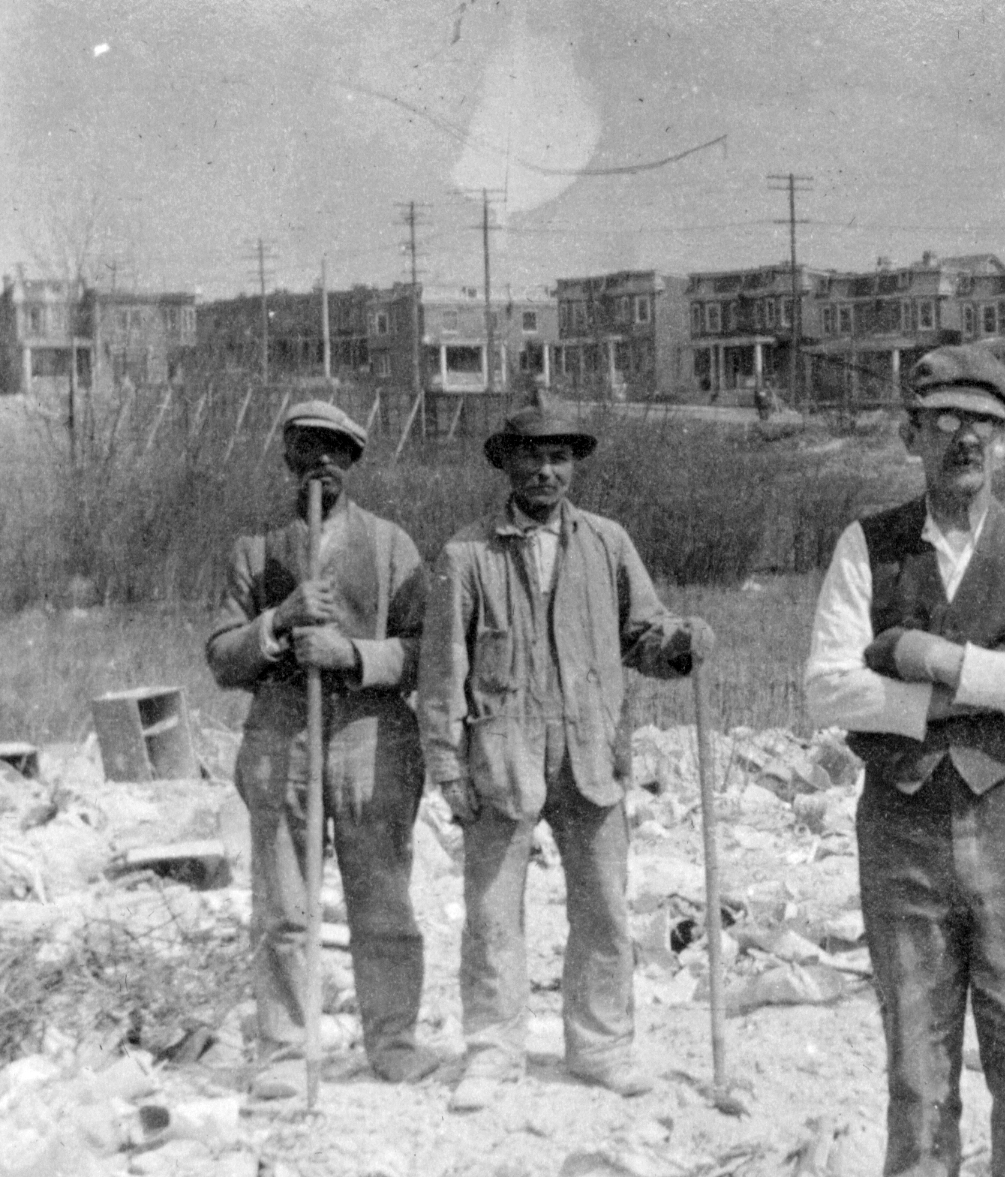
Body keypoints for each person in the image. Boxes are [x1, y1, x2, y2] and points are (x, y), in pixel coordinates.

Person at [802, 348, 1005, 1177]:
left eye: (983, 422)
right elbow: (826, 690)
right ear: (911, 434)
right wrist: (955, 703)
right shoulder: (867, 545)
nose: (964, 436)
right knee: (917, 1039)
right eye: (943, 420)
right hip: (903, 817)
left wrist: (929, 655)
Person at [417, 408, 714, 1112]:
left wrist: (677, 643)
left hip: (591, 755)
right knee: (492, 915)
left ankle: (601, 1047)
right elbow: (440, 672)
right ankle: (492, 1051)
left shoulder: (607, 544)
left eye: (559, 458)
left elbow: (642, 634)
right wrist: (446, 766)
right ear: (507, 466)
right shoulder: (468, 557)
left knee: (606, 910)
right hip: (500, 758)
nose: (546, 472)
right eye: (531, 459)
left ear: (574, 466)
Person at [205, 400, 433, 1096]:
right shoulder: (256, 549)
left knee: (383, 904)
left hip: (371, 737)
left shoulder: (393, 546)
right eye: (307, 448)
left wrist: (353, 653)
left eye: (335, 450)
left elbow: (429, 652)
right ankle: (283, 1050)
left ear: (354, 462)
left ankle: (392, 1043)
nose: (321, 462)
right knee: (284, 908)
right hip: (281, 736)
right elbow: (220, 656)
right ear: (287, 457)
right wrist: (279, 620)